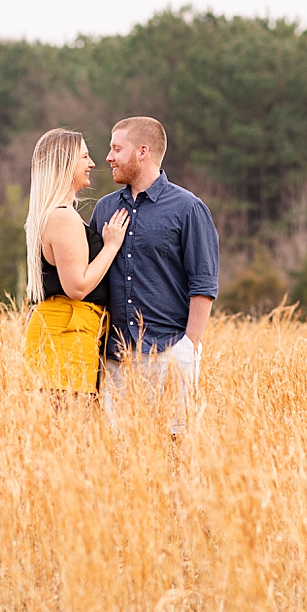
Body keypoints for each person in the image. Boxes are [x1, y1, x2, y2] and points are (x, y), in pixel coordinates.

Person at [91, 117, 220, 429]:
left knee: (175, 445)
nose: (108, 157)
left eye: (116, 149)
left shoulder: (188, 208)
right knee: (117, 451)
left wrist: (187, 347)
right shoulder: (104, 209)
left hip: (169, 351)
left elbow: (203, 284)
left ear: (142, 152)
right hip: (115, 358)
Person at [23, 129, 130, 396]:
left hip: (68, 329)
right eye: (84, 156)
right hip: (66, 331)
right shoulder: (63, 218)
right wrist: (112, 246)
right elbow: (77, 287)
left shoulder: (54, 214)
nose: (92, 163)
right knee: (69, 425)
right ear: (65, 163)